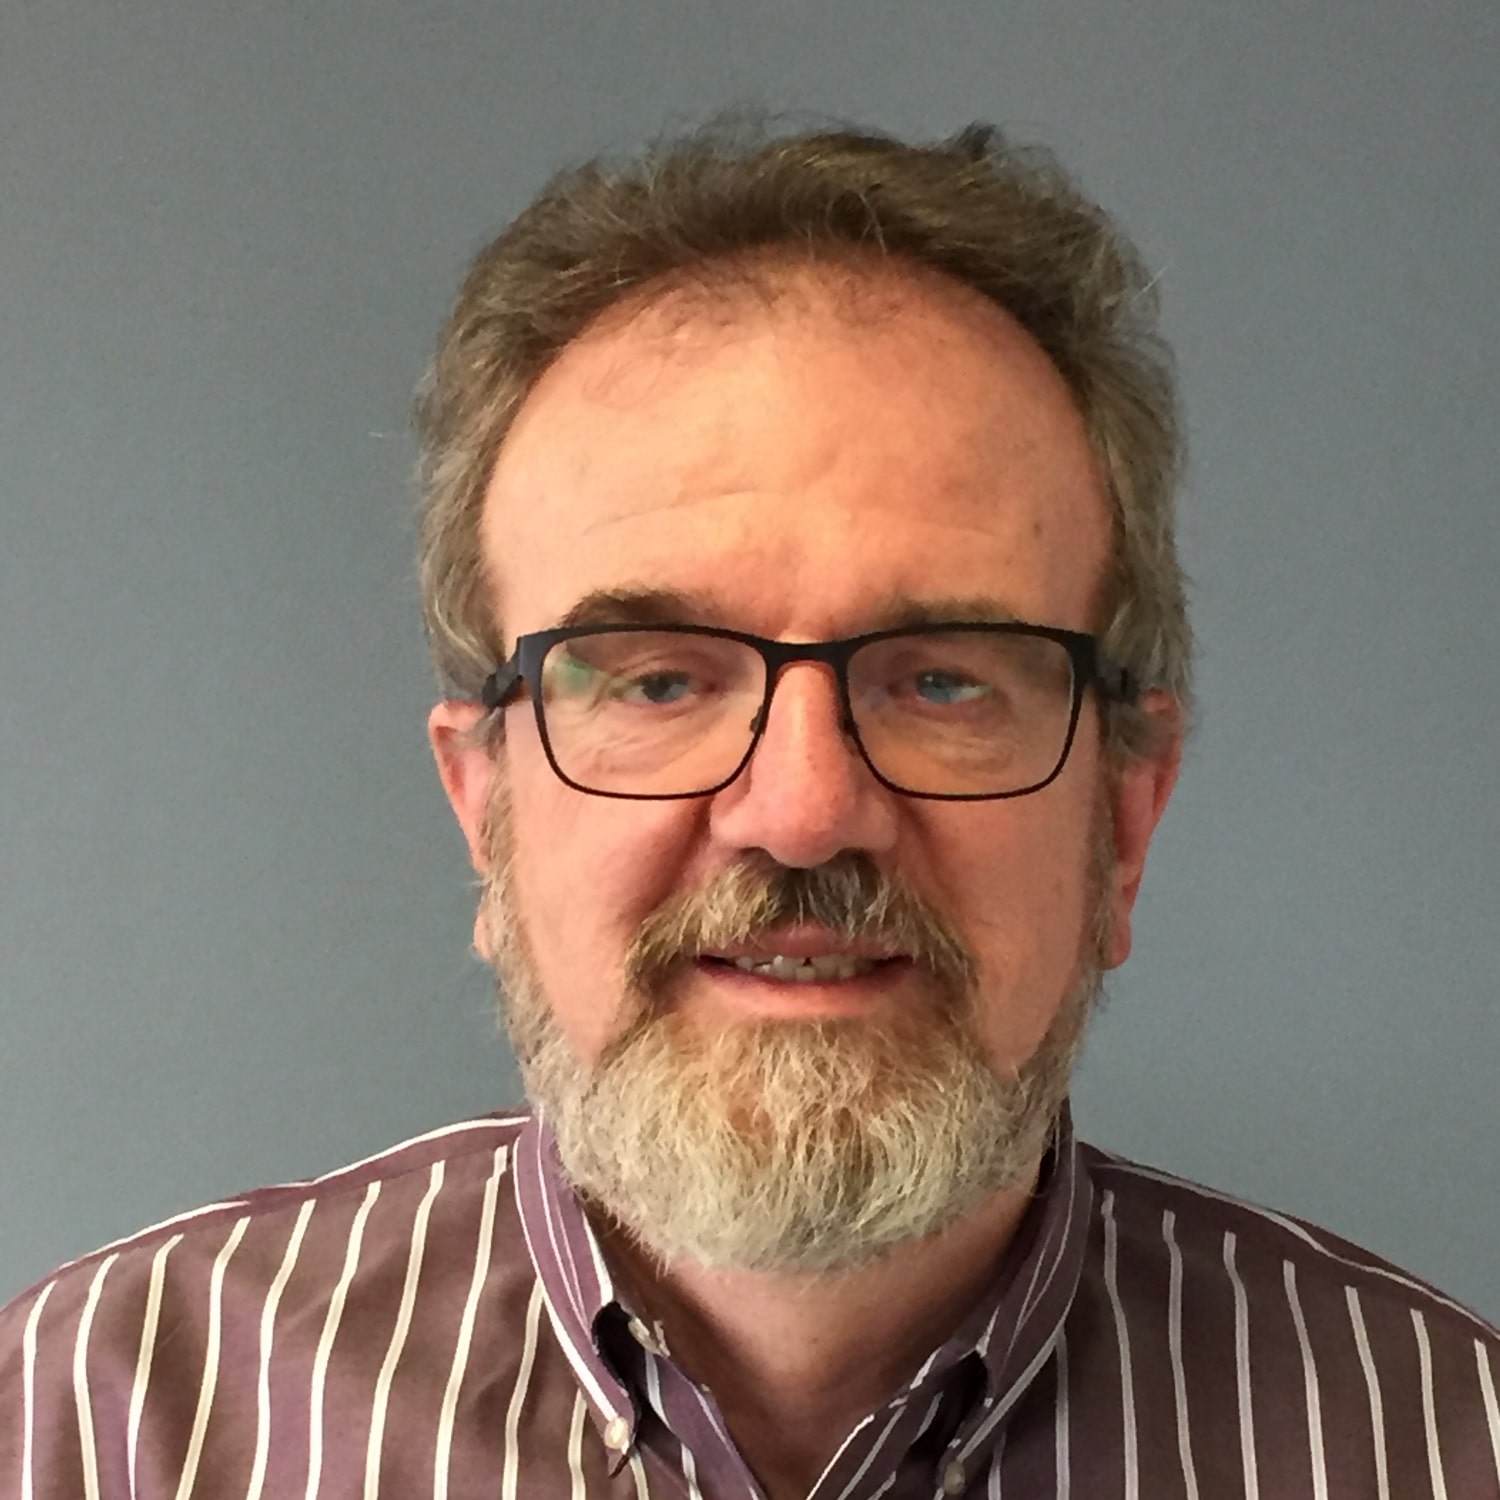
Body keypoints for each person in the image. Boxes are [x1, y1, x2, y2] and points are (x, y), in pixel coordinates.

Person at [3, 116, 1497, 1500]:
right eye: (659, 681)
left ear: (1125, 823)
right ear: (484, 812)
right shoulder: (90, 1427)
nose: (802, 810)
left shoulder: (1443, 1444)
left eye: (943, 681)